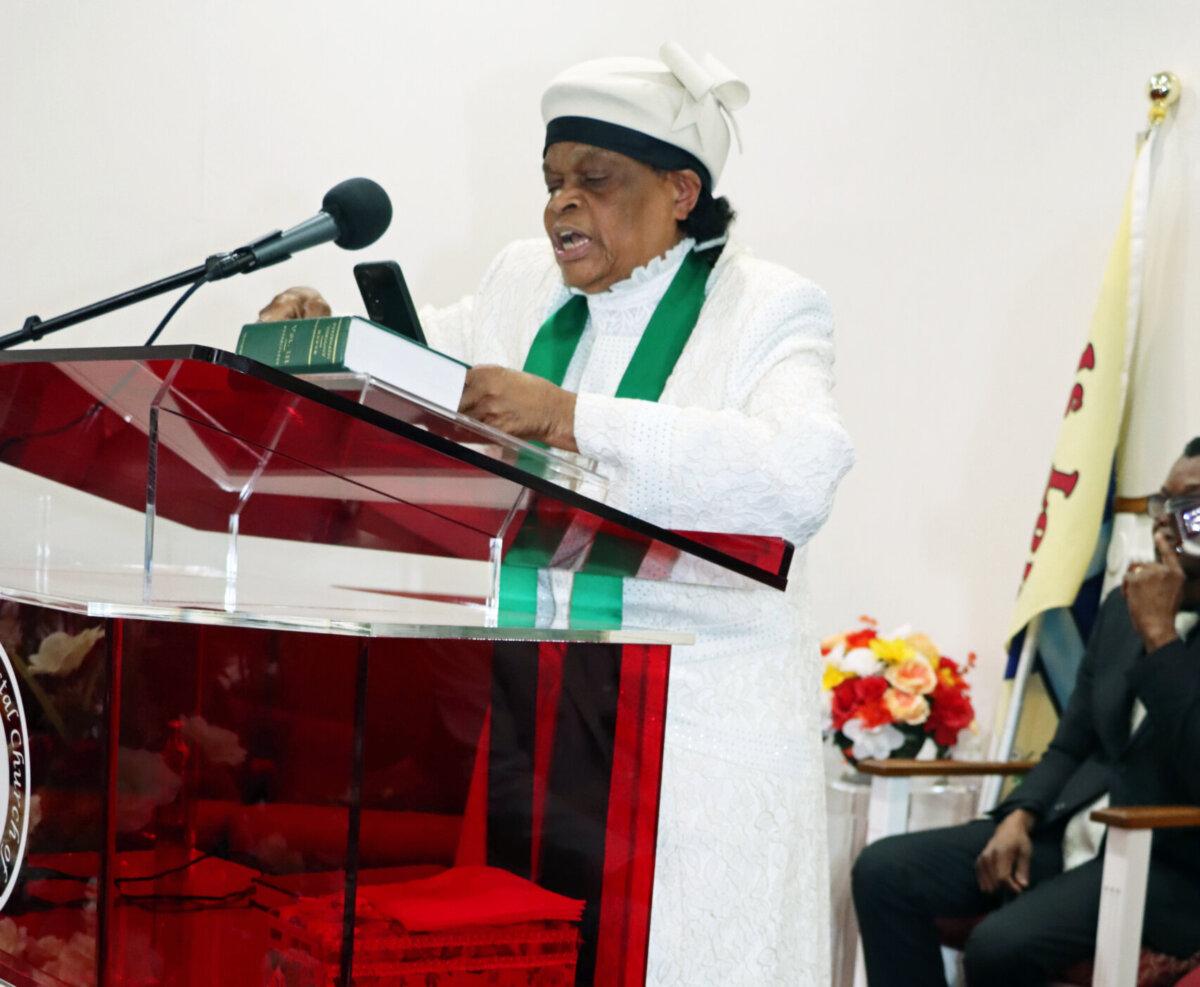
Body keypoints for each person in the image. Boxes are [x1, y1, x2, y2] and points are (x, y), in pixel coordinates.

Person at [262, 42, 853, 987]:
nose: (558, 206)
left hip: (690, 744)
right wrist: (321, 327)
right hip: (528, 720)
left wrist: (569, 417)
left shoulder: (767, 307)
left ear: (681, 191)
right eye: (550, 183)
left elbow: (800, 474)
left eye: (592, 181)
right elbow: (418, 372)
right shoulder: (520, 284)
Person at [852, 440, 1200, 986]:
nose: (1167, 527)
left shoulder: (1149, 618)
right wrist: (1021, 815)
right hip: (1070, 836)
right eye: (1163, 505)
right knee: (885, 872)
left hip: (1166, 869)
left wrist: (1161, 636)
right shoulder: (1120, 608)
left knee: (998, 947)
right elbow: (1072, 743)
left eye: (1194, 509)